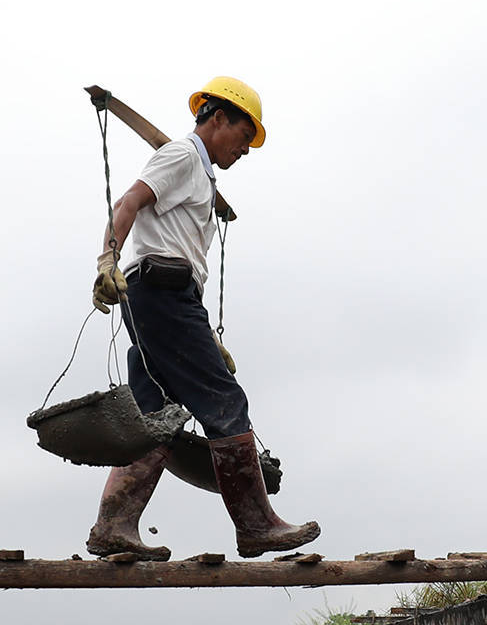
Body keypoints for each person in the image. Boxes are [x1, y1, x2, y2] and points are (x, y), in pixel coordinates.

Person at [86, 77, 318, 559]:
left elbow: (178, 251)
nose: (246, 150)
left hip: (162, 298)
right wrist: (106, 260)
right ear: (217, 119)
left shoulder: (200, 174)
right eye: (243, 134)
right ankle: (255, 525)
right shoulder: (183, 157)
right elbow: (128, 202)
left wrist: (208, 336)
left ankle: (114, 525)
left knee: (158, 418)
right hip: (160, 294)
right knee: (224, 401)